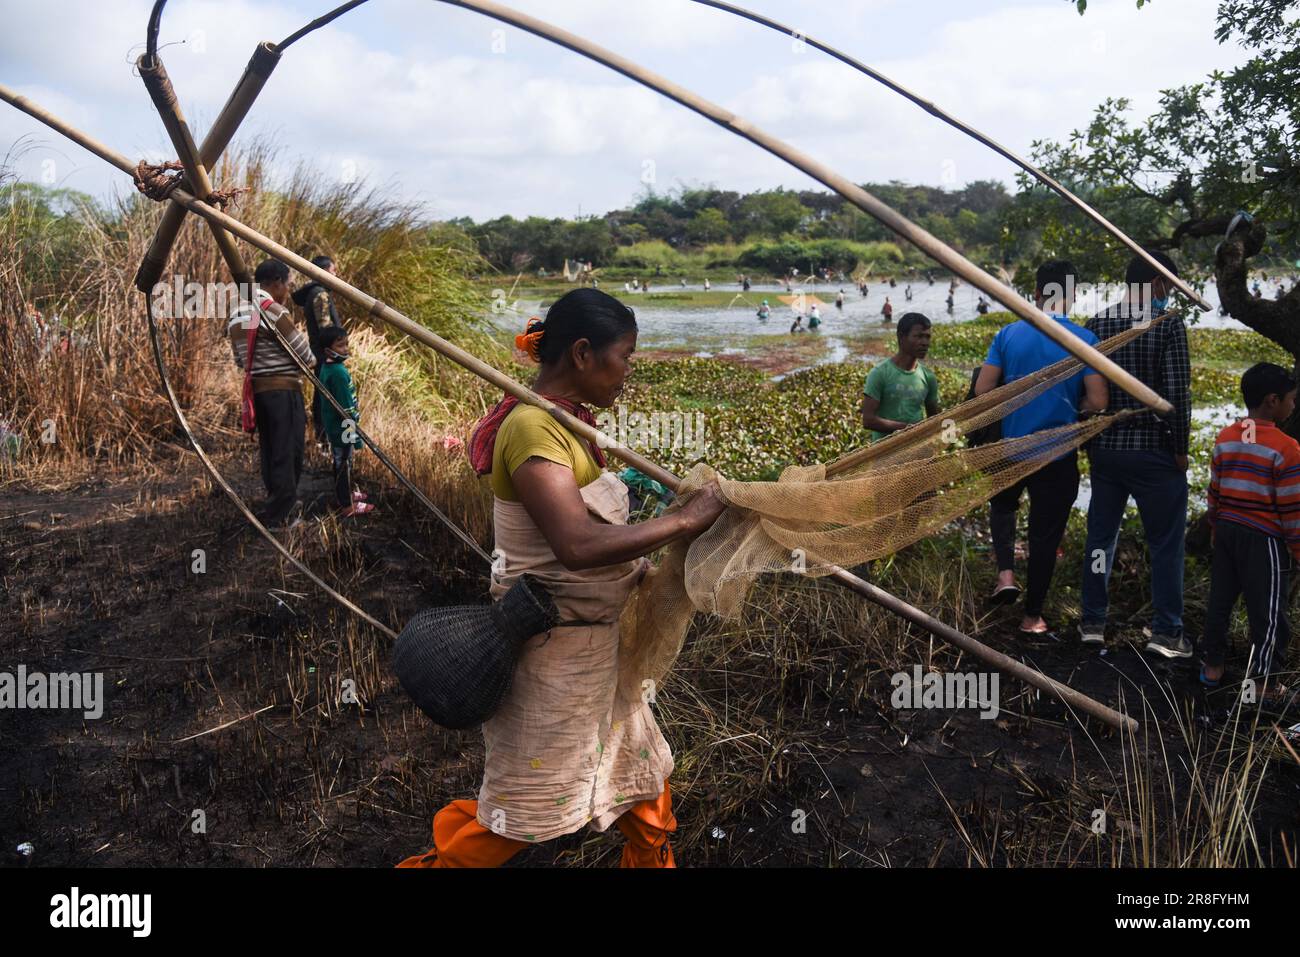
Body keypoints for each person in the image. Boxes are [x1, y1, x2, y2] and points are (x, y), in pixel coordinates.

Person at [397, 288, 727, 868]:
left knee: (644, 786)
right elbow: (575, 544)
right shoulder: (531, 429)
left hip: (599, 653)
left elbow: (602, 539)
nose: (627, 372)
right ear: (581, 353)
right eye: (624, 356)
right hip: (553, 656)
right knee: (517, 817)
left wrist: (660, 542)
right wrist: (683, 521)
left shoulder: (570, 428)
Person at [974, 261, 1108, 637]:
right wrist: (1066, 403)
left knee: (1003, 505)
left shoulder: (1008, 335)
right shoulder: (1084, 341)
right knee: (1044, 536)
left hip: (1010, 448)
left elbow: (984, 391)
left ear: (1035, 295)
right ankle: (1033, 616)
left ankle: (1005, 575)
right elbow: (1098, 401)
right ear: (1071, 296)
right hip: (1057, 453)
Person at [1080, 250, 1192, 654]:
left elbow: (1086, 393)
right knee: (1165, 543)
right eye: (1170, 287)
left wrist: (1091, 442)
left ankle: (1092, 621)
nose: (1172, 296)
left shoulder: (1098, 323)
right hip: (1154, 452)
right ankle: (1166, 631)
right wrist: (1181, 449)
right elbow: (1178, 392)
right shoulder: (1167, 324)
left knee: (1100, 538)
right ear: (1158, 284)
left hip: (1107, 450)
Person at [1199, 363, 1299, 706]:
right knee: (1268, 612)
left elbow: (1215, 490)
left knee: (1220, 602)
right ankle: (1261, 683)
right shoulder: (1286, 448)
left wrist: (1214, 526)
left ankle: (1212, 668)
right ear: (1273, 401)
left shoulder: (1227, 437)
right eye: (1291, 400)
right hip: (1264, 539)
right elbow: (1291, 509)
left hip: (1226, 530)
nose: (1293, 407)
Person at [228, 259, 316, 529]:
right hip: (283, 392)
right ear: (276, 282)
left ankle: (278, 502)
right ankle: (282, 515)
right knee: (288, 451)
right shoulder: (273, 311)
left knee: (271, 450)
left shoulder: (237, 313)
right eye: (287, 284)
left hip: (259, 393)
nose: (288, 290)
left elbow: (241, 360)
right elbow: (306, 356)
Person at [316, 327, 376, 517]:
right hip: (343, 426)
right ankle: (347, 505)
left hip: (336, 425)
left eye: (346, 344)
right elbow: (345, 408)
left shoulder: (328, 367)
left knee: (342, 461)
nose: (345, 349)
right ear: (328, 350)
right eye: (340, 345)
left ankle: (345, 495)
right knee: (343, 463)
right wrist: (354, 434)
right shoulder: (337, 373)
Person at [291, 255, 343, 447]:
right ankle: (323, 439)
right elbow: (325, 328)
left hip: (321, 352)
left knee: (322, 395)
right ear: (322, 272)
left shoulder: (315, 292)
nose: (335, 274)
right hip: (325, 354)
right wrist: (335, 351)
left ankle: (322, 438)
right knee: (325, 397)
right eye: (333, 270)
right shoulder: (320, 294)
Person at [862, 312, 940, 442]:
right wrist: (908, 429)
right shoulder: (880, 374)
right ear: (901, 337)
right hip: (884, 453)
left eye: (927, 337)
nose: (925, 342)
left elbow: (934, 418)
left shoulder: (928, 377)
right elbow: (868, 420)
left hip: (917, 450)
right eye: (919, 336)